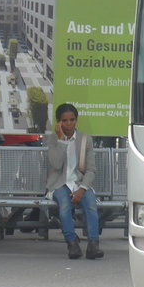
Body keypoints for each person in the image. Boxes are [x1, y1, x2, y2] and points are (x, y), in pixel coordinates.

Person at [43, 103, 102, 260]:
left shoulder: (85, 140)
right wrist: (62, 140)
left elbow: (91, 169)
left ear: (76, 120)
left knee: (91, 205)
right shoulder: (52, 139)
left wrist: (82, 189)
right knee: (64, 206)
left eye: (72, 120)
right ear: (59, 122)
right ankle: (72, 243)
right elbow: (56, 164)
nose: (69, 124)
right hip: (59, 184)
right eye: (64, 120)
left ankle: (93, 244)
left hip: (80, 183)